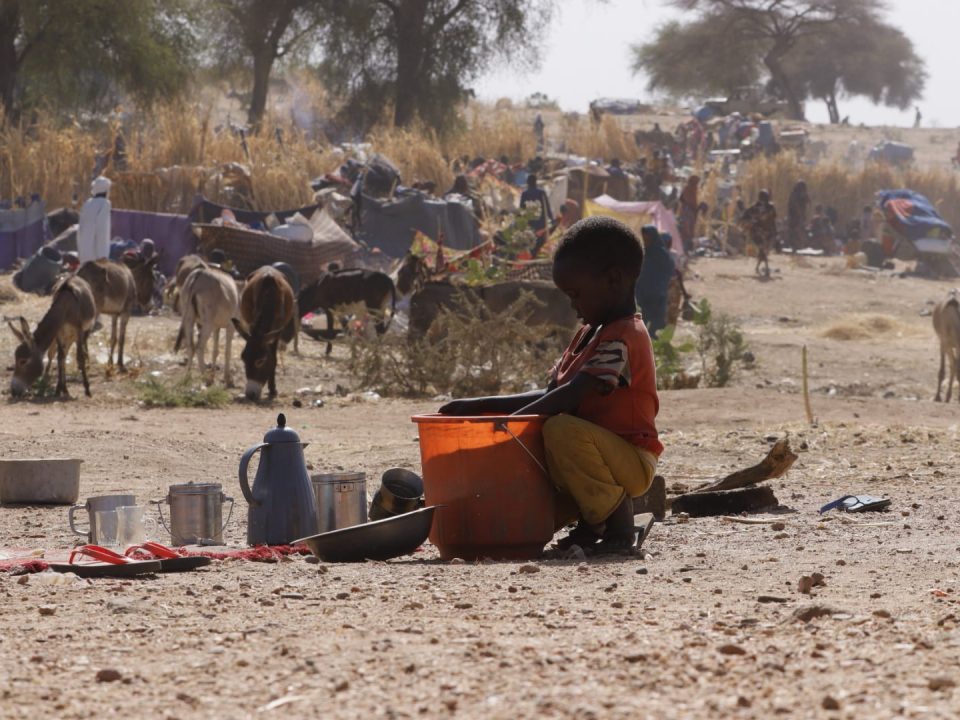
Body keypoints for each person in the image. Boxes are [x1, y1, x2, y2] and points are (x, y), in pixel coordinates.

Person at [439, 216, 661, 553]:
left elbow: (572, 394)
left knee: (557, 428)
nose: (573, 306)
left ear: (613, 280)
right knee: (520, 516)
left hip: (630, 460)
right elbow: (551, 394)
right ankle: (590, 523)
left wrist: (510, 425)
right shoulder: (588, 335)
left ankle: (618, 525)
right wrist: (477, 407)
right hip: (592, 457)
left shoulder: (623, 336)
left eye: (576, 295)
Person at [635, 225, 675, 338]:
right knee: (642, 322)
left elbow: (669, 270)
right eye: (644, 238)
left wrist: (660, 285)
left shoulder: (662, 254)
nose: (645, 240)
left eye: (647, 238)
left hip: (657, 294)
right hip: (642, 293)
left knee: (656, 324)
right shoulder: (643, 252)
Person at [741, 190, 777, 277]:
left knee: (763, 250)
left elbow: (772, 219)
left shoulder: (769, 207)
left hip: (766, 232)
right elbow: (746, 218)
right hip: (758, 232)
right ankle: (765, 267)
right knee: (763, 249)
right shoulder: (757, 207)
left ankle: (759, 267)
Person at [77, 175, 112, 264]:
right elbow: (102, 229)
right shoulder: (105, 204)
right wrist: (102, 255)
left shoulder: (87, 203)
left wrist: (81, 252)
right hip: (96, 256)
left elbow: (81, 228)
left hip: (84, 254)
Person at [520, 174, 554, 254]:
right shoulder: (541, 193)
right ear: (536, 182)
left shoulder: (525, 194)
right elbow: (547, 207)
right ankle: (537, 254)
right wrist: (551, 219)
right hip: (541, 222)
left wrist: (521, 223)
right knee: (540, 241)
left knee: (531, 241)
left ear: (528, 183)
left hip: (530, 222)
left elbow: (521, 209)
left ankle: (532, 254)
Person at [677, 175, 700, 253]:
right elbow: (684, 199)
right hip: (687, 211)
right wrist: (692, 206)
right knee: (686, 230)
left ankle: (687, 248)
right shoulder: (689, 188)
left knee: (689, 229)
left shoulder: (692, 189)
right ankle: (684, 248)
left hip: (689, 211)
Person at [786, 180, 810, 250]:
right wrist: (800, 213)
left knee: (799, 230)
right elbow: (794, 205)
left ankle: (798, 245)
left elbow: (808, 202)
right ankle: (795, 245)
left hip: (798, 215)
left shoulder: (801, 194)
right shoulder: (794, 194)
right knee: (795, 230)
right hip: (794, 216)